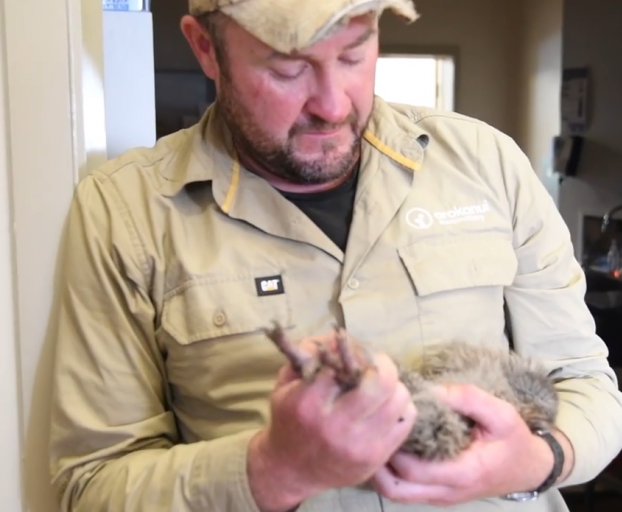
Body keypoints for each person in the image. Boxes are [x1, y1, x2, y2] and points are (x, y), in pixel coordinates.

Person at [48, 0, 622, 511]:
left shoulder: (487, 162)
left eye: (354, 55)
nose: (331, 105)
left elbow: (587, 384)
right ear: (206, 48)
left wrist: (539, 460)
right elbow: (93, 485)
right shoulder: (124, 212)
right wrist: (274, 468)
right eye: (286, 68)